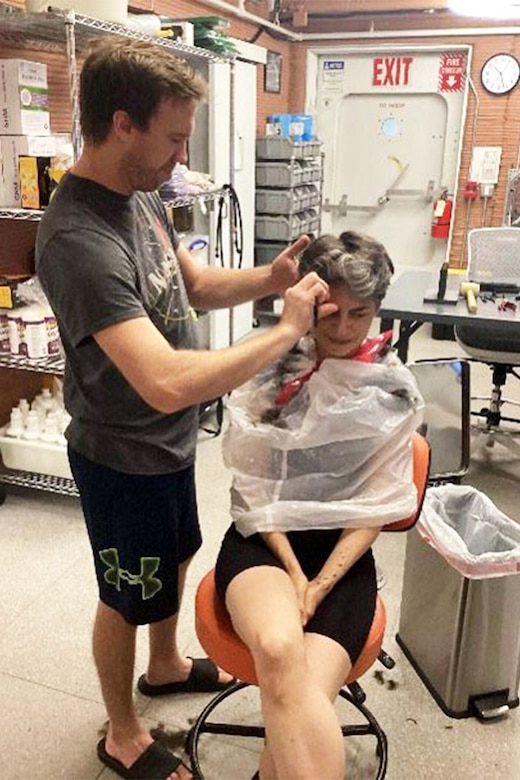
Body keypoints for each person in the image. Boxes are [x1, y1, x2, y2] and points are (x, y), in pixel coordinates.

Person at [35, 38, 328, 780]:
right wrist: (287, 330)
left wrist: (270, 277)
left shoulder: (141, 195)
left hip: (166, 446)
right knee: (124, 594)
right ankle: (122, 733)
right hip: (120, 454)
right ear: (123, 124)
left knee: (175, 557)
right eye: (172, 136)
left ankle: (164, 665)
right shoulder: (77, 238)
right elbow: (164, 380)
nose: (182, 153)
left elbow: (190, 284)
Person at [215, 231, 424, 780]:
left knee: (299, 690)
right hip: (264, 544)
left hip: (343, 560)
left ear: (378, 310)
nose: (342, 329)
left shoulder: (391, 392)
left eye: (360, 314)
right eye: (329, 312)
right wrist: (291, 571)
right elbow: (254, 494)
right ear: (308, 303)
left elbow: (374, 509)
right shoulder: (274, 372)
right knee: (281, 649)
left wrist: (320, 584)